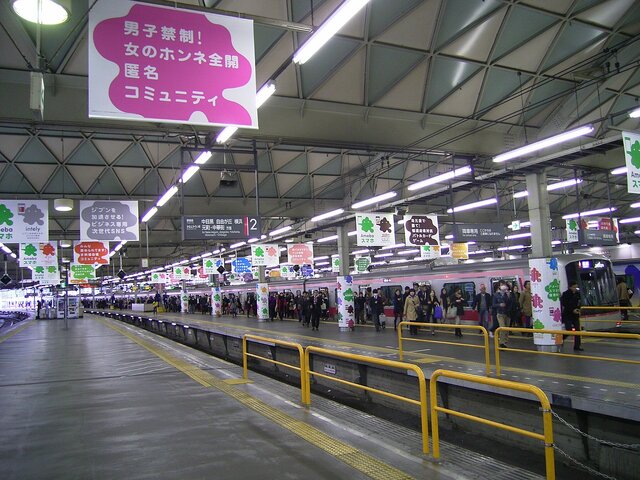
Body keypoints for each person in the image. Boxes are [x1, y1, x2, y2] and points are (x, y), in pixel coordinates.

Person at [561, 280, 583, 351]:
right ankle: (562, 338)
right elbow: (564, 304)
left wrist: (578, 309)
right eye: (574, 287)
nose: (575, 289)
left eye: (576, 287)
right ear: (570, 287)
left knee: (578, 331)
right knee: (569, 329)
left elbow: (579, 302)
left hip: (575, 315)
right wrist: (572, 310)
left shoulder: (577, 294)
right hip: (568, 315)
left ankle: (577, 346)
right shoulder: (565, 294)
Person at [492, 284, 511, 348]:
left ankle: (505, 341)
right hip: (500, 313)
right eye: (503, 290)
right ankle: (501, 342)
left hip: (507, 313)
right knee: (502, 327)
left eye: (505, 290)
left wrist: (508, 297)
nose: (504, 291)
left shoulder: (507, 295)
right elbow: (493, 305)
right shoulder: (495, 295)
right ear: (499, 289)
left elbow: (510, 304)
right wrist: (499, 305)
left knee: (507, 328)